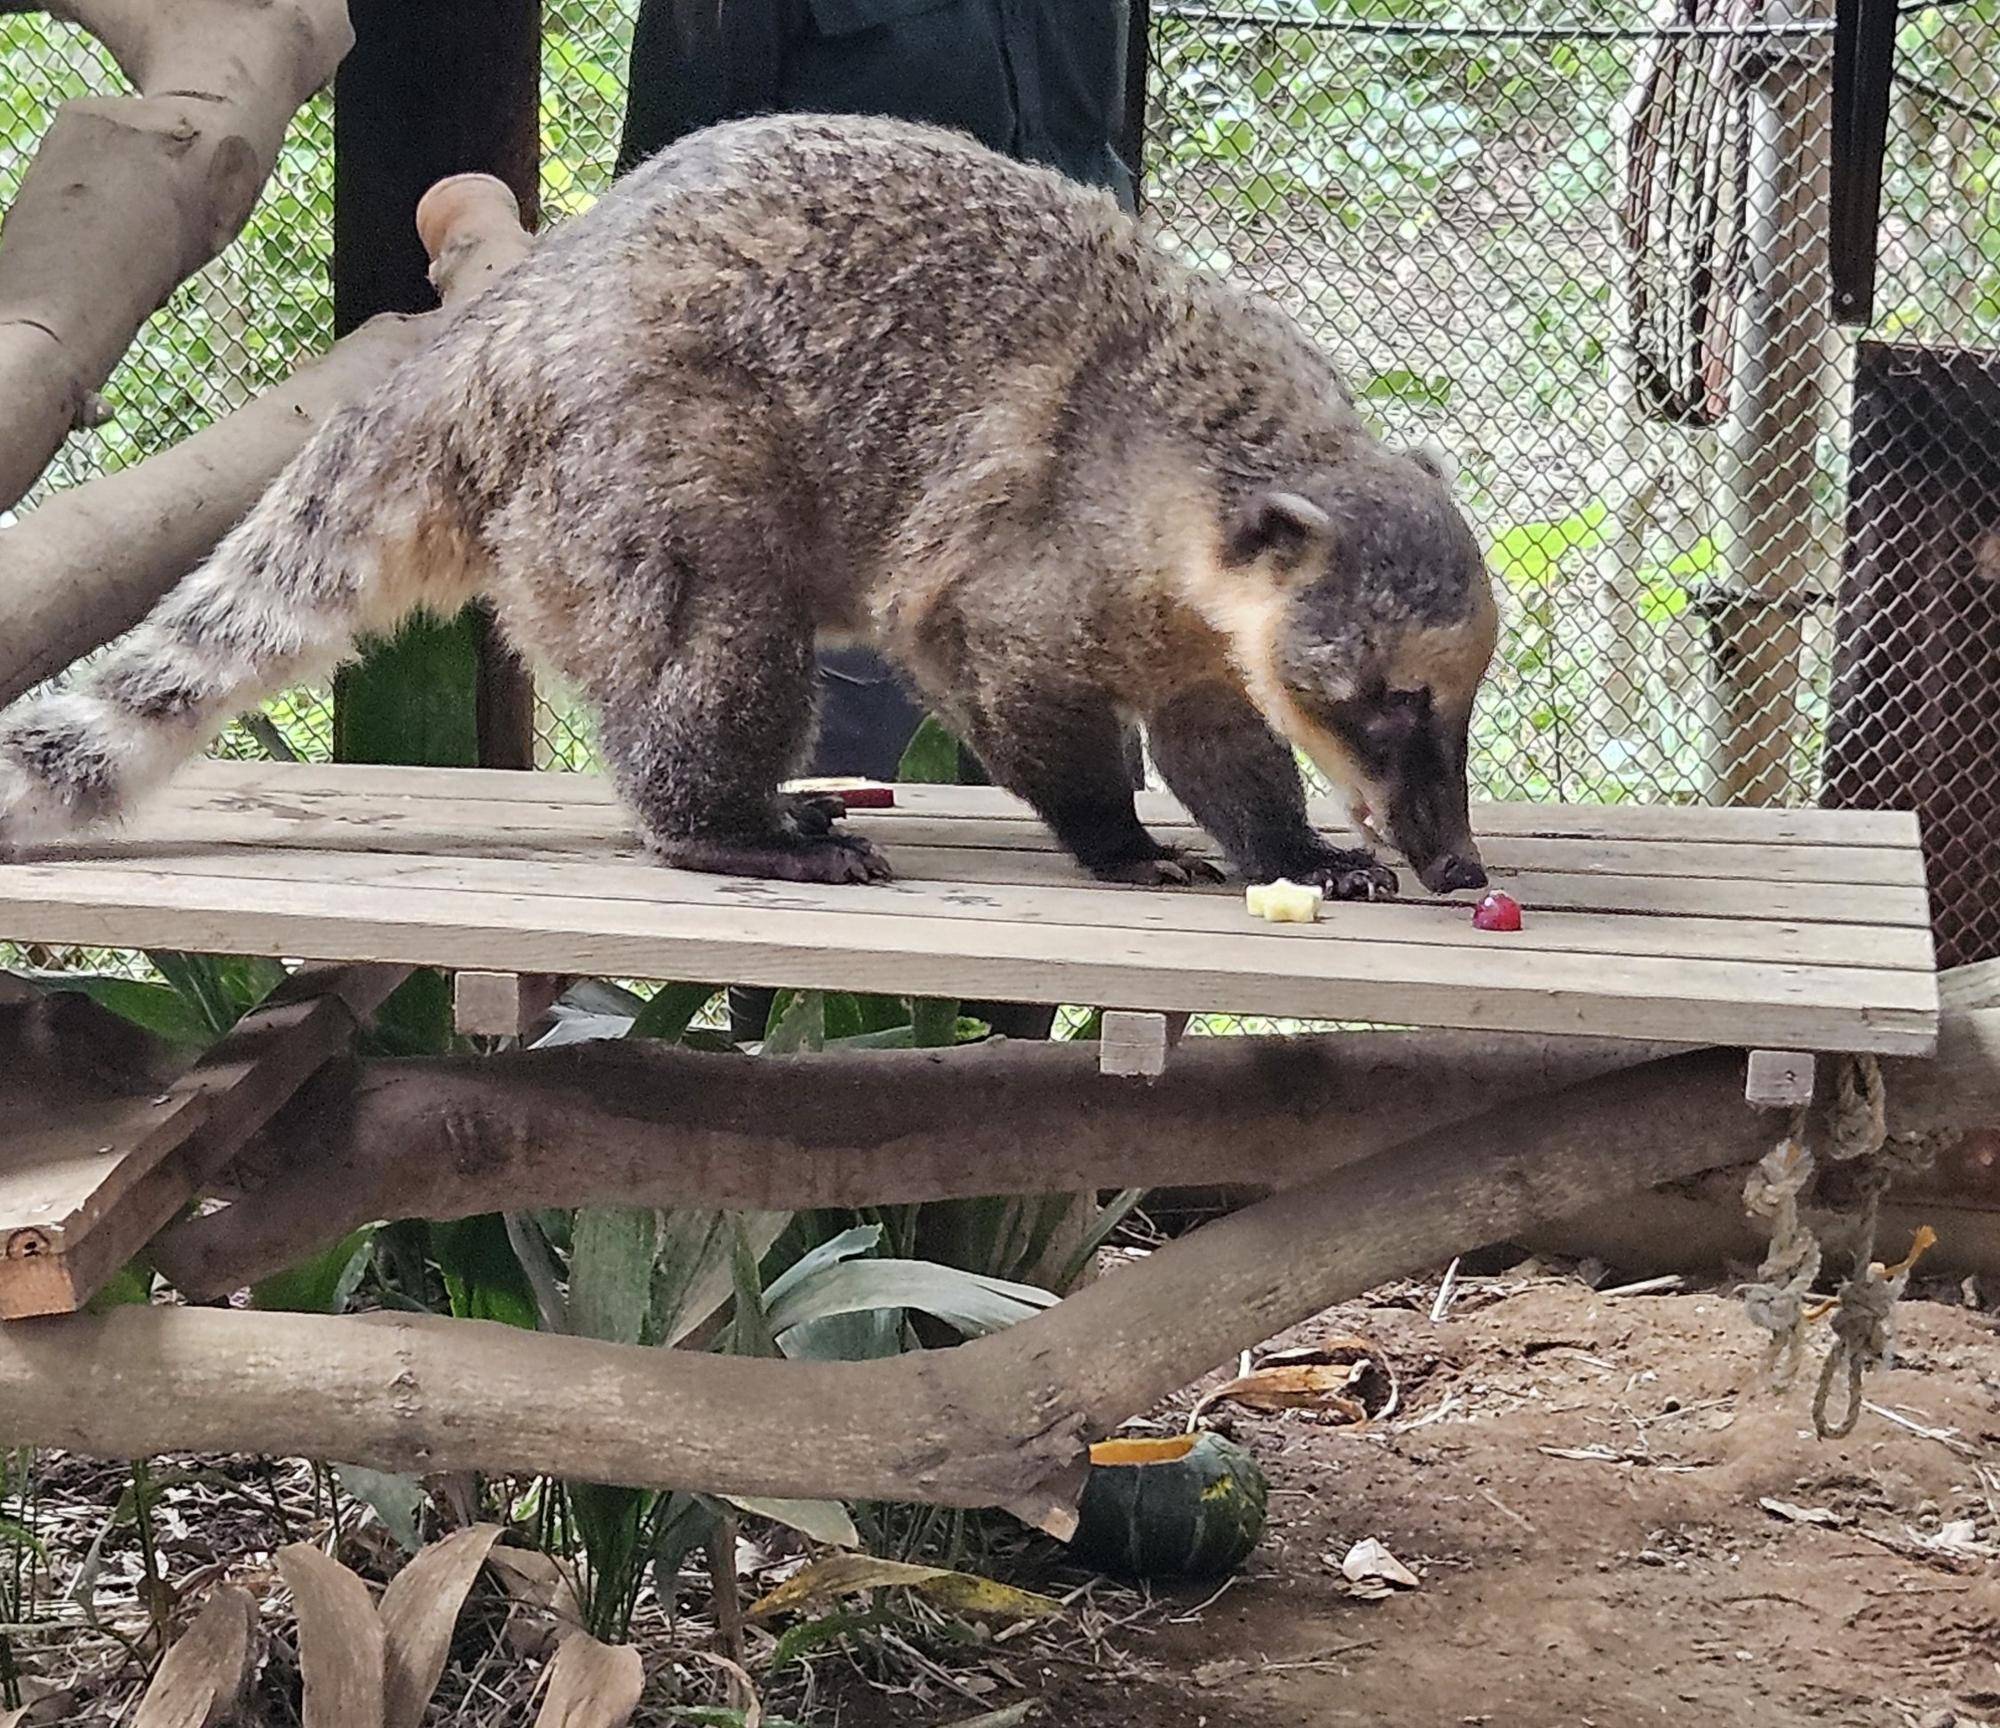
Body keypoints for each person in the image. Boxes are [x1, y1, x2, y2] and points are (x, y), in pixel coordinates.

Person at [617, 0, 1142, 1043]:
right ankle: (776, 1076)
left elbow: (1102, 155)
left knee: (1088, 778)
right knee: (814, 763)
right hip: (839, 450)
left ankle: (1003, 1098)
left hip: (1055, 435)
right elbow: (654, 199)